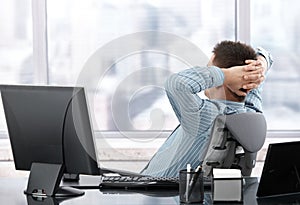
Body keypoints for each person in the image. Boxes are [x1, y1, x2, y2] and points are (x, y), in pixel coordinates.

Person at [140, 40, 273, 177]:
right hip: (188, 194)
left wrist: (224, 75)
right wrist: (258, 68)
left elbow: (176, 83)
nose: (209, 74)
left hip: (152, 189)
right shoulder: (251, 113)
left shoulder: (205, 116)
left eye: (210, 70)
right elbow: (266, 55)